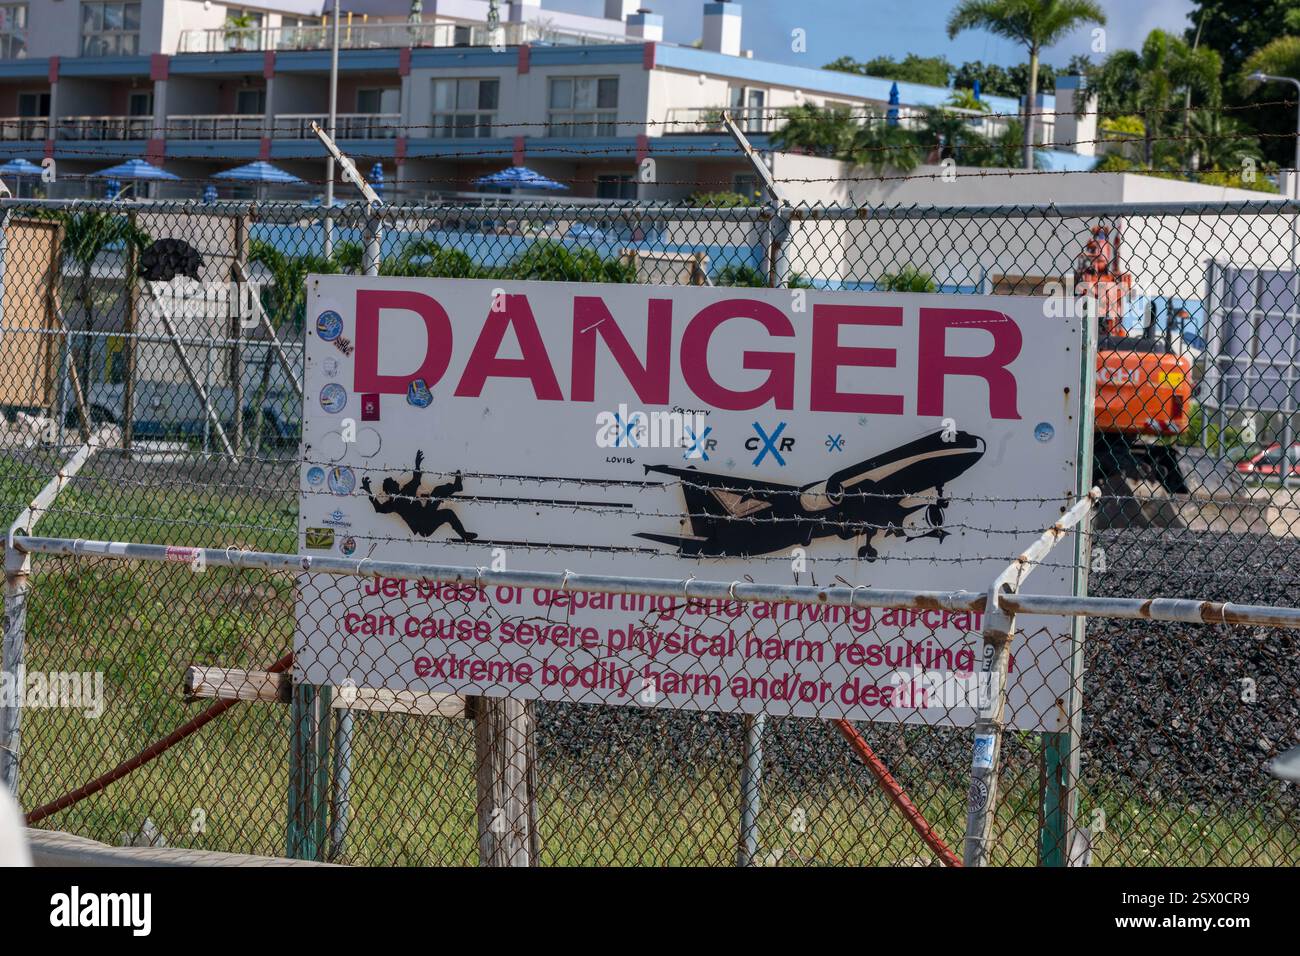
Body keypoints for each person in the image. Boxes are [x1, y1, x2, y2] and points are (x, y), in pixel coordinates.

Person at [362, 450, 477, 541]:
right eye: (393, 482)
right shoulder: (393, 503)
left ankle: (456, 487)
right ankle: (464, 535)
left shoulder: (404, 492)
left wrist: (417, 465)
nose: (396, 482)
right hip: (424, 527)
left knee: (437, 492)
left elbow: (416, 479)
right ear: (390, 489)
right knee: (448, 513)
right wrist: (369, 492)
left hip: (426, 514)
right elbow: (379, 509)